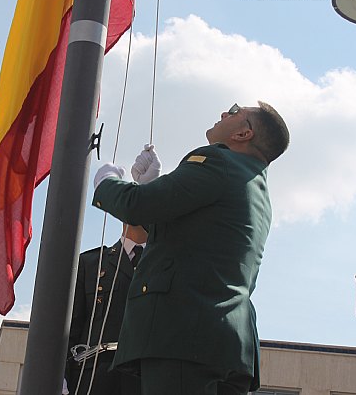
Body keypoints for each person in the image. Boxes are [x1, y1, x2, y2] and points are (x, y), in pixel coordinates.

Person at [91, 102, 290, 395]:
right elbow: (191, 238)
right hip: (225, 343)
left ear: (244, 133)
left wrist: (106, 182)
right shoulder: (255, 184)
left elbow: (137, 206)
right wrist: (151, 187)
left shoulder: (217, 162)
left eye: (234, 111)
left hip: (183, 336)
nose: (224, 113)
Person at [65, 223, 146, 395]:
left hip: (147, 381)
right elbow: (70, 329)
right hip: (93, 379)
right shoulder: (91, 263)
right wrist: (61, 378)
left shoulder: (168, 267)